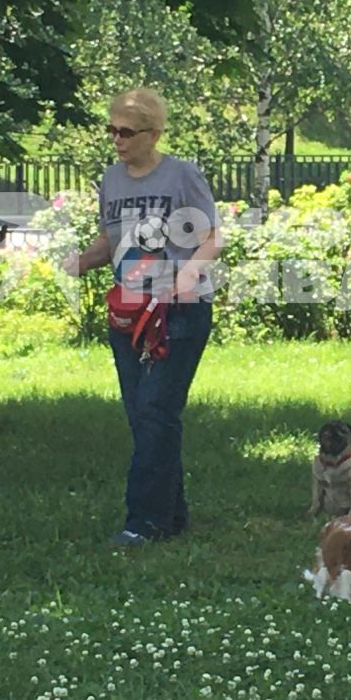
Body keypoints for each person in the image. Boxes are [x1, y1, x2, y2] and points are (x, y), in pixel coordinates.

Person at [64, 89, 221, 547]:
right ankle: (172, 515)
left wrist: (187, 274)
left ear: (153, 134)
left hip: (179, 312)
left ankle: (143, 523)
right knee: (144, 416)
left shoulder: (181, 176)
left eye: (127, 132)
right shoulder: (112, 180)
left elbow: (210, 238)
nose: (117, 139)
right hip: (127, 312)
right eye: (111, 130)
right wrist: (79, 260)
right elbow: (110, 241)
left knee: (156, 411)